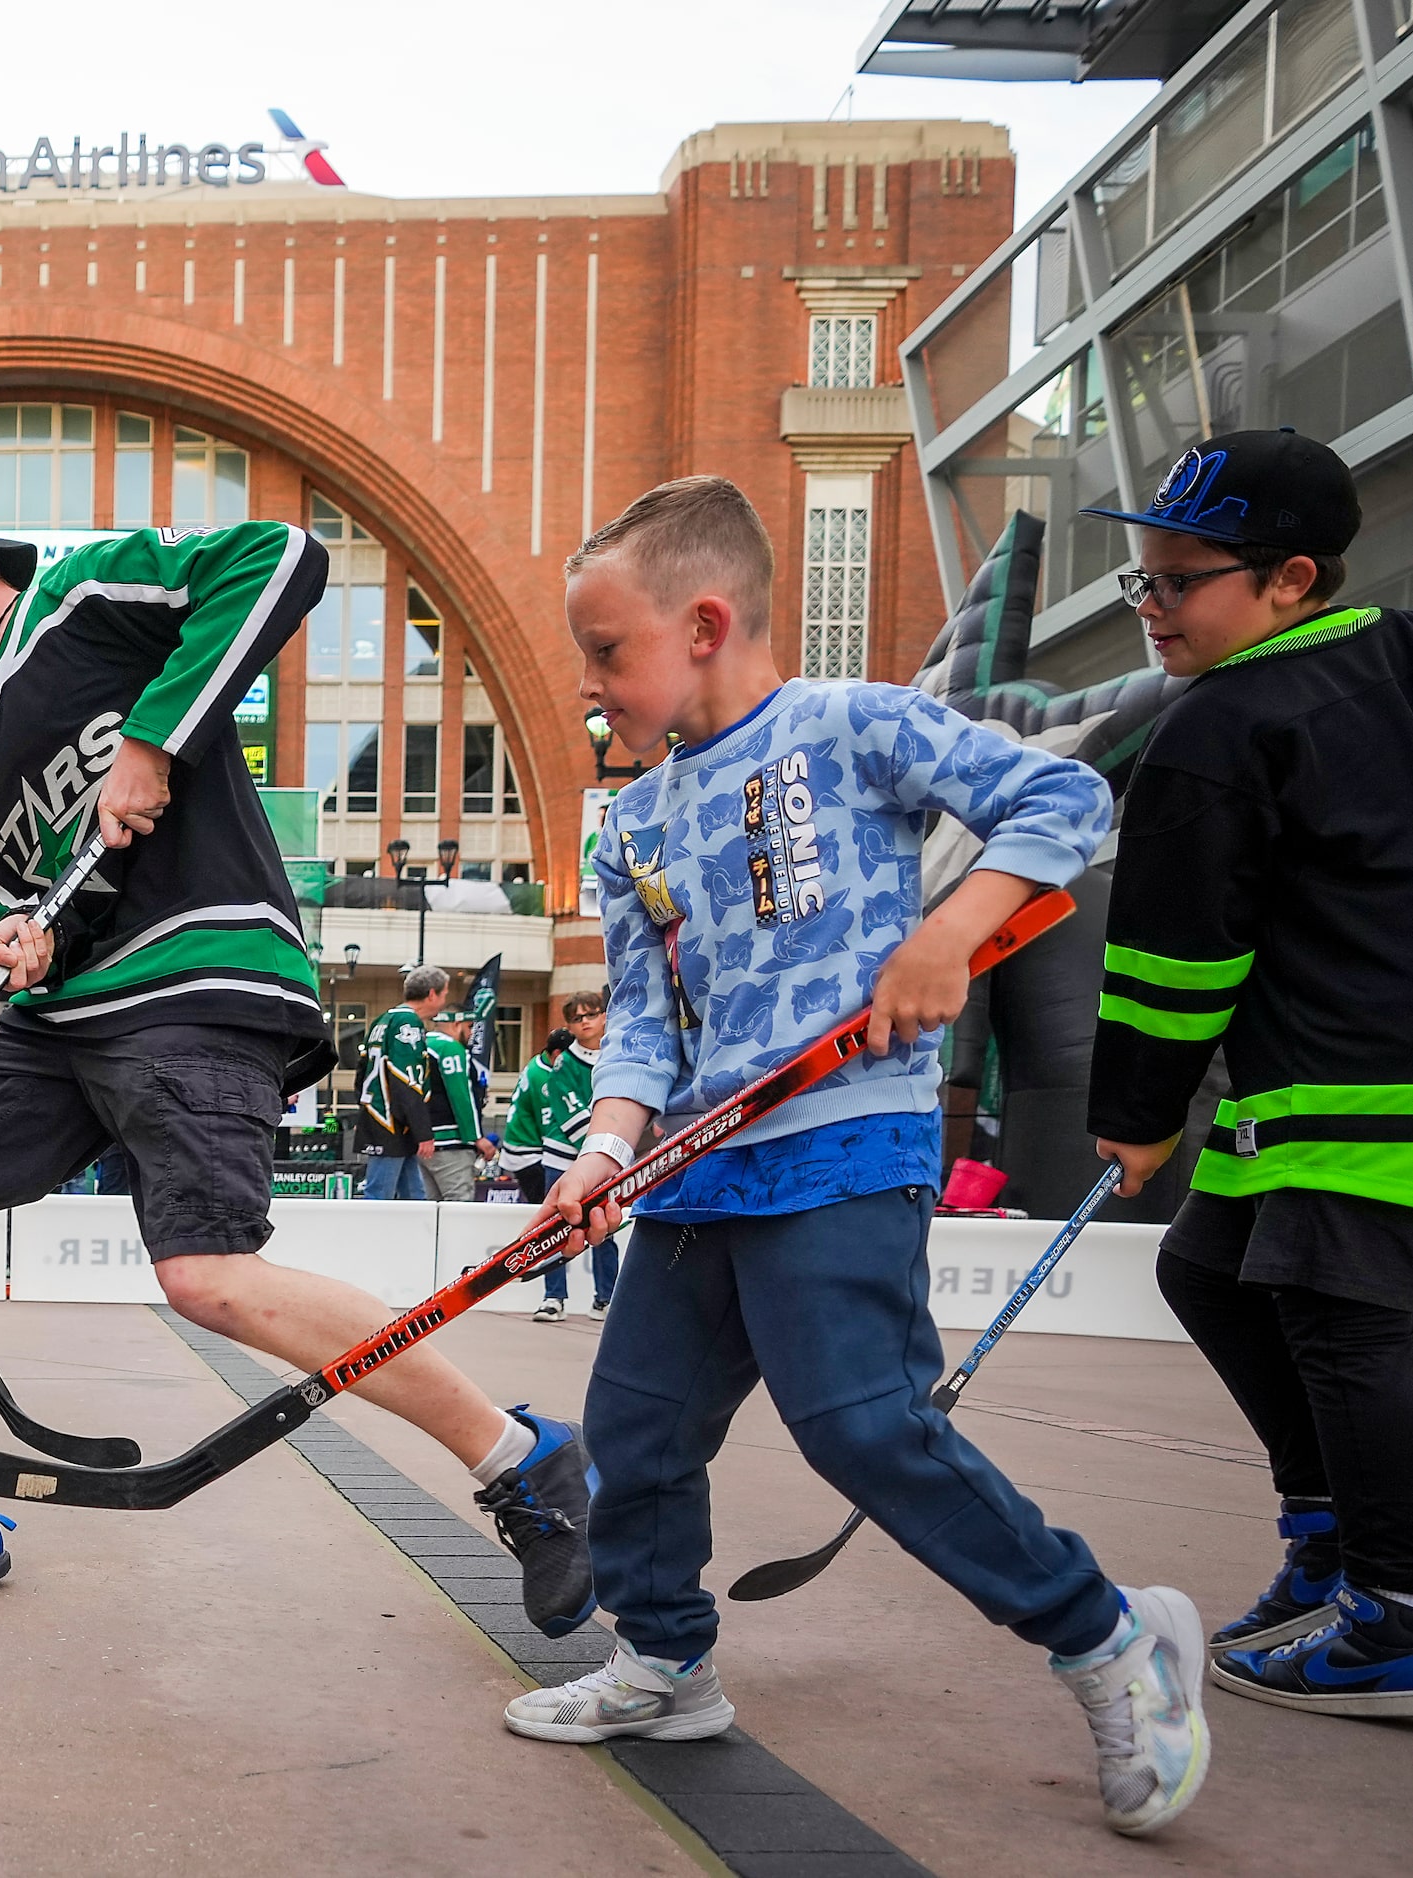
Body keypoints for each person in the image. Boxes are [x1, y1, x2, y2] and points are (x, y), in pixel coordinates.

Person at [507, 474, 1205, 1840]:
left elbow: (1059, 795)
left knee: (863, 1427)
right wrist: (600, 1151)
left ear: (704, 623)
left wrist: (957, 928)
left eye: (606, 651)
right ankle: (664, 1661)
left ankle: (1111, 1635)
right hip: (693, 1174)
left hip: (845, 1141)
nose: (588, 683)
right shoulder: (632, 820)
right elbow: (644, 1026)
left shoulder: (851, 723)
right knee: (638, 1437)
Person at [0, 492, 592, 1622]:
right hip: (70, 1012)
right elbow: (23, 912)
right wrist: (20, 934)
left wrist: (149, 739)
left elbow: (279, 558)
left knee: (205, 1277)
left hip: (195, 974)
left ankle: (520, 1457)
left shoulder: (82, 603)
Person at [1077, 431, 1413, 1718]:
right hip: (1322, 1078)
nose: (1152, 608)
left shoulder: (1218, 728)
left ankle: (1394, 1610)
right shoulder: (1388, 655)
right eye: (1142, 580)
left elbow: (1171, 961)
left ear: (1291, 579)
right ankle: (1330, 1537)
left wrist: (1135, 1121)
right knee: (1206, 1269)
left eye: (1179, 581)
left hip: (1351, 1087)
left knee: (1342, 1322)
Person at [503, 994, 618, 1321]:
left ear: (604, 1017)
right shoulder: (564, 1063)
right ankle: (553, 1298)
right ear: (569, 1024)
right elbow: (569, 1114)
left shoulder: (616, 1057)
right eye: (577, 1017)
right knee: (555, 1230)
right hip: (564, 1157)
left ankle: (606, 1299)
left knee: (604, 1228)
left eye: (592, 1014)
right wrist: (603, 1147)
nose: (585, 1021)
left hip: (601, 1155)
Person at [355, 967, 447, 1200]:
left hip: (379, 1114)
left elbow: (360, 1073)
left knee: (414, 1195)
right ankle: (370, 1237)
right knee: (379, 1194)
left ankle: (415, 1235)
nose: (445, 1001)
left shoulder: (382, 1020)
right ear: (432, 994)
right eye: (444, 994)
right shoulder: (408, 1023)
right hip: (391, 1121)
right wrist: (422, 1131)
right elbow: (407, 1081)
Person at [421, 1006, 491, 1202]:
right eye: (469, 1027)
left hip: (422, 1141)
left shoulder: (420, 1043)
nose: (470, 1034)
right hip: (451, 1142)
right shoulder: (450, 1048)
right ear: (456, 1024)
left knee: (428, 1210)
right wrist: (476, 1136)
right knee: (458, 1205)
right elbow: (461, 1096)